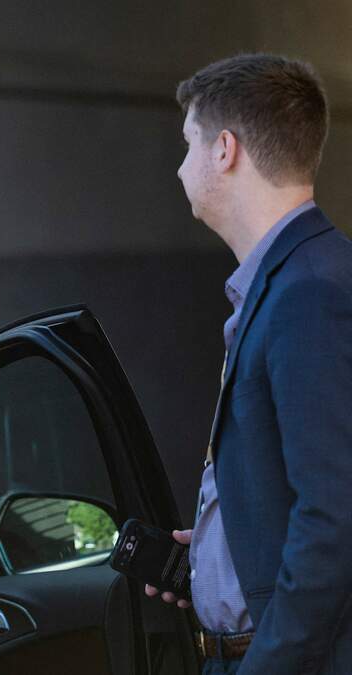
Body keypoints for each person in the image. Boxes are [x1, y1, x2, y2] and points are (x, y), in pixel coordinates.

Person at [146, 54, 352, 674]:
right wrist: (225, 543)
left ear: (224, 150)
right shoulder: (304, 275)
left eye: (189, 143)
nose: (180, 167)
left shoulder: (307, 293)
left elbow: (334, 517)